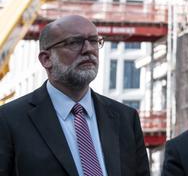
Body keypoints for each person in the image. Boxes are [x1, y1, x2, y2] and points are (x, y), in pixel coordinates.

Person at [0, 15, 149, 176]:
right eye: (74, 42)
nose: (88, 49)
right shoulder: (9, 120)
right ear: (46, 59)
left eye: (93, 41)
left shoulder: (126, 119)